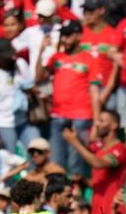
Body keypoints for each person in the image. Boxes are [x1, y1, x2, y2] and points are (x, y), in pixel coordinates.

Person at [37, 20, 101, 179]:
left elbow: (94, 91)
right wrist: (41, 51)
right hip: (57, 115)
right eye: (63, 36)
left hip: (81, 116)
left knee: (76, 162)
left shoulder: (89, 59)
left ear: (79, 36)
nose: (64, 39)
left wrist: (97, 121)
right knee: (56, 162)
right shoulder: (56, 57)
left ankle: (75, 199)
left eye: (68, 36)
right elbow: (39, 78)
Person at [0, 37, 37, 153]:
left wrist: (27, 88)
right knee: (10, 157)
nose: (7, 59)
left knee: (35, 150)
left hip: (24, 119)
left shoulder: (20, 65)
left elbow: (32, 86)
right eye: (3, 57)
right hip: (3, 122)